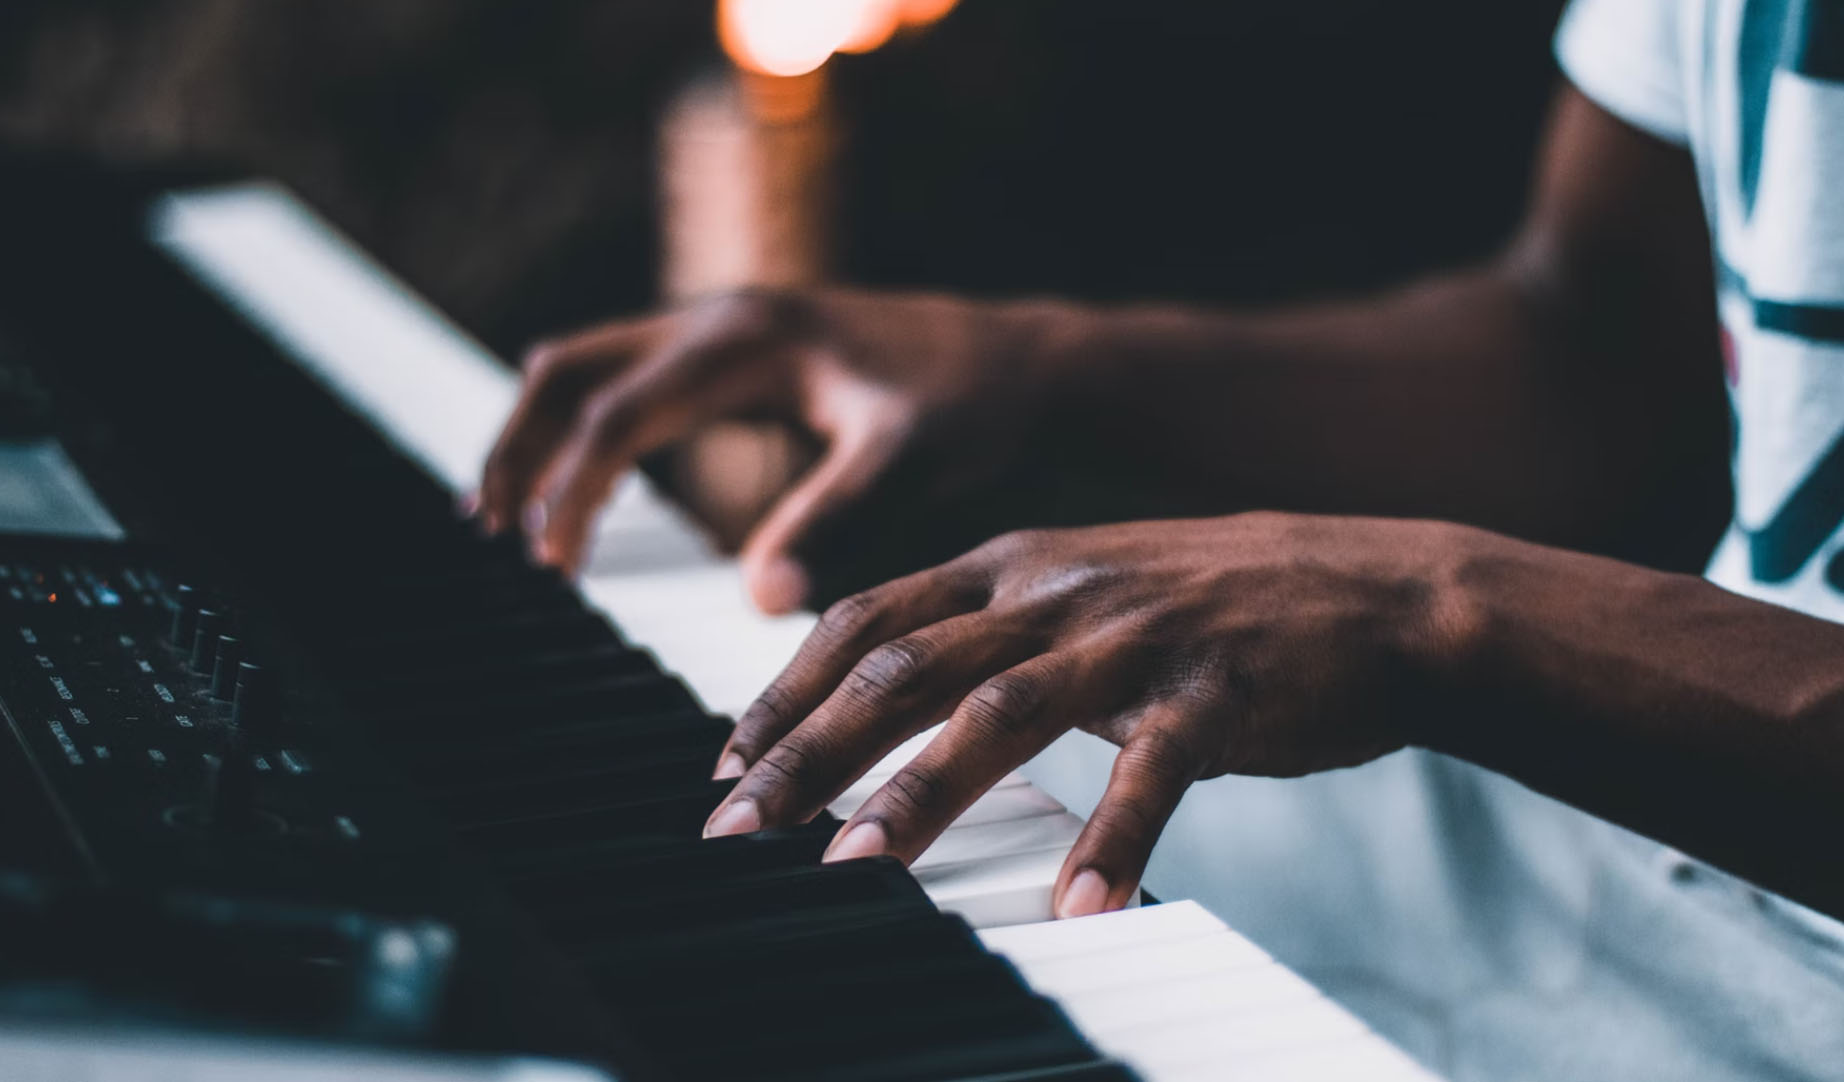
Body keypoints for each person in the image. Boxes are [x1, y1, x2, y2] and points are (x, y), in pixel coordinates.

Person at [481, 1, 1844, 1077]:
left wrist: (1425, 605)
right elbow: (1591, 343)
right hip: (1640, 832)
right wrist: (1043, 362)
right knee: (878, 818)